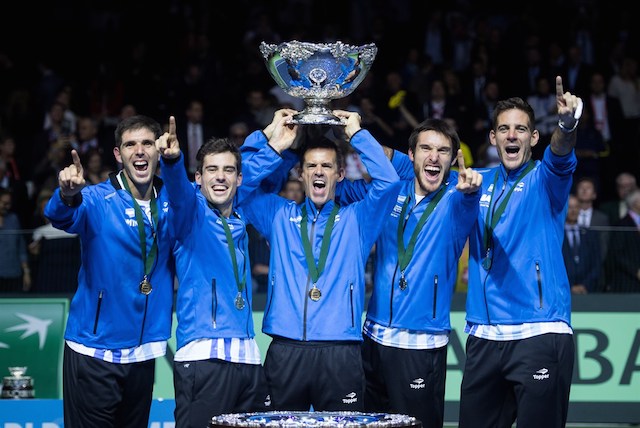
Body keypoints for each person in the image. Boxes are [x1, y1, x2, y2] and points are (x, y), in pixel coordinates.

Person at [239, 109, 401, 411]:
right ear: (300, 174)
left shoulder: (358, 219)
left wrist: (357, 136)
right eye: (311, 166)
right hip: (286, 349)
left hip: (341, 352)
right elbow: (238, 188)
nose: (318, 172)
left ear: (340, 174)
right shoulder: (279, 215)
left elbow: (389, 183)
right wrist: (274, 144)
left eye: (326, 166)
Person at [338, 118, 482, 427]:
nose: (434, 157)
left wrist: (470, 192)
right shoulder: (388, 192)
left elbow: (469, 201)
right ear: (411, 155)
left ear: (453, 159)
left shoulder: (457, 200)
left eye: (443, 151)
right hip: (373, 338)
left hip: (420, 345)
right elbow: (331, 185)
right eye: (426, 148)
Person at [459, 76, 583, 428]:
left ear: (533, 137)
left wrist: (567, 123)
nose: (511, 135)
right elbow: (421, 173)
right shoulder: (474, 182)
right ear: (493, 137)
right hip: (483, 336)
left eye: (520, 129)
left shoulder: (547, 179)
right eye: (504, 129)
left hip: (539, 333)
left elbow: (561, 151)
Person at [44, 115, 176, 428]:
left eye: (147, 143)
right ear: (118, 155)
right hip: (94, 351)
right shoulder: (97, 200)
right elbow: (59, 216)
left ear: (158, 150)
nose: (139, 151)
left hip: (143, 353)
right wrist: (66, 194)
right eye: (130, 145)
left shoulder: (173, 202)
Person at [156, 116, 271, 428]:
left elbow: (261, 169)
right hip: (204, 356)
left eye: (228, 170)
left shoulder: (240, 215)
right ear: (198, 178)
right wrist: (171, 161)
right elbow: (178, 193)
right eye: (211, 170)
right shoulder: (188, 216)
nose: (220, 178)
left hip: (247, 355)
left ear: (238, 179)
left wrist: (269, 138)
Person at [562, 194, 602, 294]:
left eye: (576, 207)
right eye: (570, 207)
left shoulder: (590, 234)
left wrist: (585, 285)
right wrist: (570, 286)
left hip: (588, 291)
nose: (573, 210)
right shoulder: (556, 234)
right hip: (563, 290)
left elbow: (596, 264)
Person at [603, 189, 640, 293]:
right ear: (635, 203)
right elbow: (616, 254)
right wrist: (636, 271)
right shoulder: (621, 225)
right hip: (628, 282)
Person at [0, 187, 31, 293]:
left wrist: (26, 272)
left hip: (13, 273)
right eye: (4, 203)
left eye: (9, 204)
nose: (7, 207)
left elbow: (21, 248)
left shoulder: (13, 219)